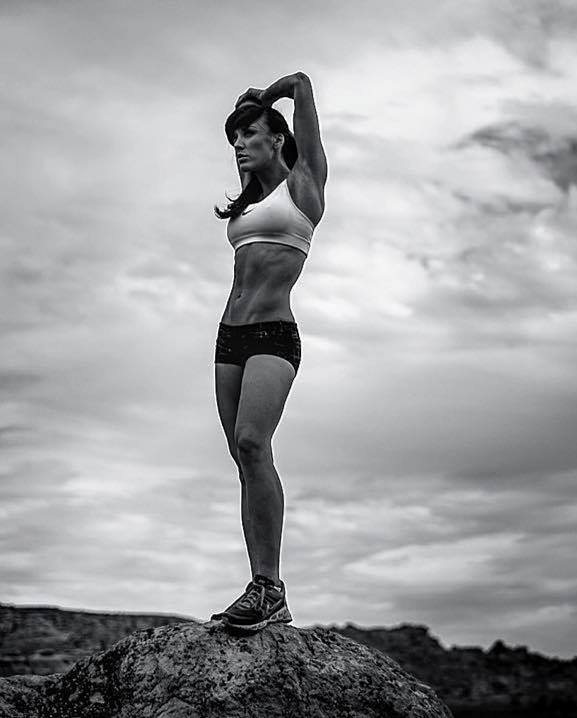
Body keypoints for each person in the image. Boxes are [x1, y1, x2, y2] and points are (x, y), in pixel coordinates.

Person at [209, 72, 327, 632]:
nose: (238, 145)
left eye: (248, 134)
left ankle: (270, 586)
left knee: (255, 442)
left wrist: (264, 99)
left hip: (274, 337)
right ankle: (260, 588)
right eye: (234, 138)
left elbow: (303, 84)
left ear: (276, 139)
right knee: (244, 458)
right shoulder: (250, 204)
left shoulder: (303, 186)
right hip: (229, 336)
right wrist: (247, 115)